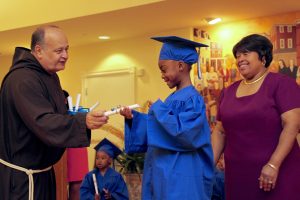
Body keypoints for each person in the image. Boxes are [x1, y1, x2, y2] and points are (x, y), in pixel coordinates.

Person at [0, 25, 108, 200]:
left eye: (66, 49)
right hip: (24, 180)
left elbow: (58, 113)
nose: (65, 55)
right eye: (59, 50)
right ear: (38, 50)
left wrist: (79, 116)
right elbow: (43, 121)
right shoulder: (22, 79)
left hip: (43, 174)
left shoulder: (49, 76)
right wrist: (82, 122)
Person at [120, 36, 214, 199]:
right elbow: (159, 130)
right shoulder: (172, 98)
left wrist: (158, 109)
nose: (162, 75)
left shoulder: (193, 100)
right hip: (163, 173)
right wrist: (134, 119)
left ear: (180, 66)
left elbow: (185, 135)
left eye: (164, 69)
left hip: (181, 176)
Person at [212, 34, 300, 200]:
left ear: (263, 57)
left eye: (246, 54)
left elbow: (292, 125)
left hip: (276, 172)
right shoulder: (228, 91)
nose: (240, 59)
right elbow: (220, 131)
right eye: (237, 56)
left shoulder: (282, 84)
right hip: (237, 175)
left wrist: (273, 164)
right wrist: (209, 163)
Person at [63, 90, 89, 200]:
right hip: (59, 149)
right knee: (59, 186)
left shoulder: (75, 112)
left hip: (75, 148)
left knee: (77, 185)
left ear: (65, 100)